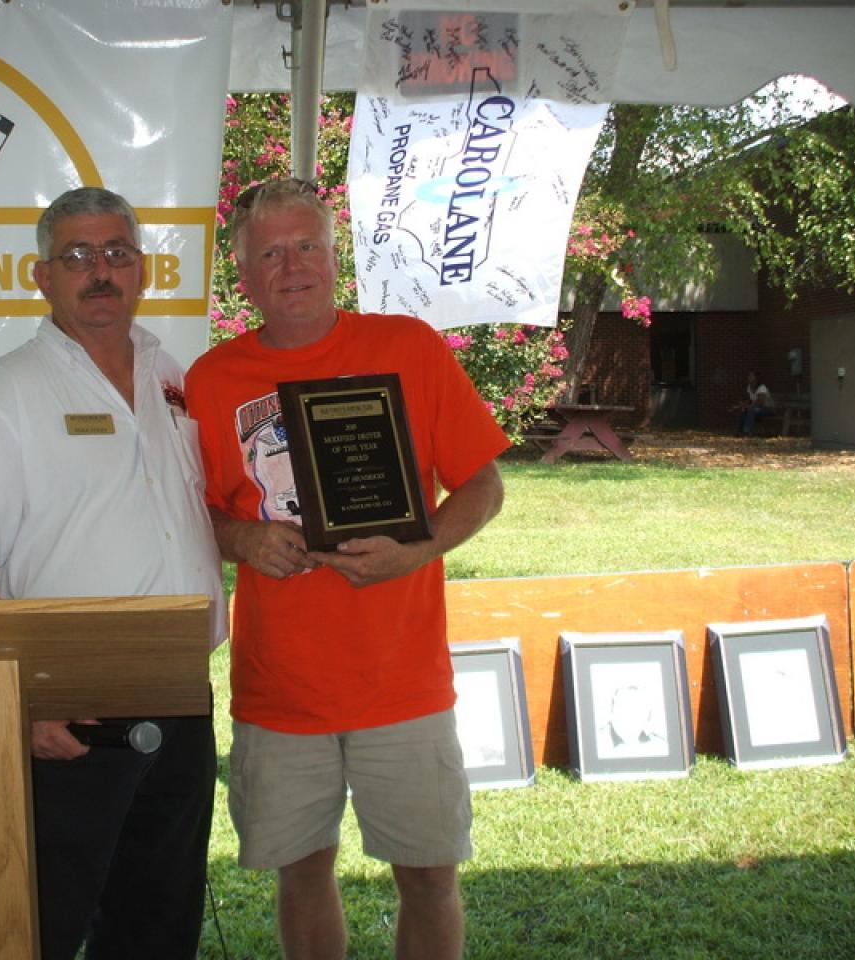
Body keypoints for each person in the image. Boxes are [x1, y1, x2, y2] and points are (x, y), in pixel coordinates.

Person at [184, 178, 509, 960]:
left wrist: (418, 549)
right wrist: (245, 539)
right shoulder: (211, 380)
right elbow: (196, 513)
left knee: (428, 878)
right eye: (270, 254)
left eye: (307, 246)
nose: (292, 266)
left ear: (336, 258)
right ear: (243, 274)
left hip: (402, 679)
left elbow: (485, 486)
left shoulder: (408, 349)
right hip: (281, 687)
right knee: (302, 876)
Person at [0, 187, 224, 960]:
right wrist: (22, 698)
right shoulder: (14, 389)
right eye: (78, 256)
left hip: (182, 695)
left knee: (159, 929)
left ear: (143, 270)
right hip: (71, 712)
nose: (101, 271)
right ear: (43, 277)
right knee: (46, 928)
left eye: (117, 253)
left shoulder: (173, 377)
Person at [736, 370, 772, 435]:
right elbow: (749, 400)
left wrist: (748, 406)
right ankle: (739, 431)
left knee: (751, 410)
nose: (749, 377)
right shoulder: (749, 387)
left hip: (767, 409)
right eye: (748, 376)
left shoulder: (762, 387)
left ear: (757, 378)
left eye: (751, 376)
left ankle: (747, 431)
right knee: (742, 410)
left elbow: (760, 402)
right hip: (756, 408)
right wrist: (742, 405)